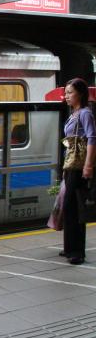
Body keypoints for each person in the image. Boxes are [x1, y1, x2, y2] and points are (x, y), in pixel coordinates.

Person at [61, 78, 95, 265]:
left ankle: (78, 252)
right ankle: (69, 247)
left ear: (80, 94)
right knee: (69, 206)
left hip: (79, 167)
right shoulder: (73, 113)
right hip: (70, 165)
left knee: (76, 207)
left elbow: (92, 139)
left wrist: (88, 166)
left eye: (70, 93)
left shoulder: (85, 114)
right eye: (65, 93)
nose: (66, 96)